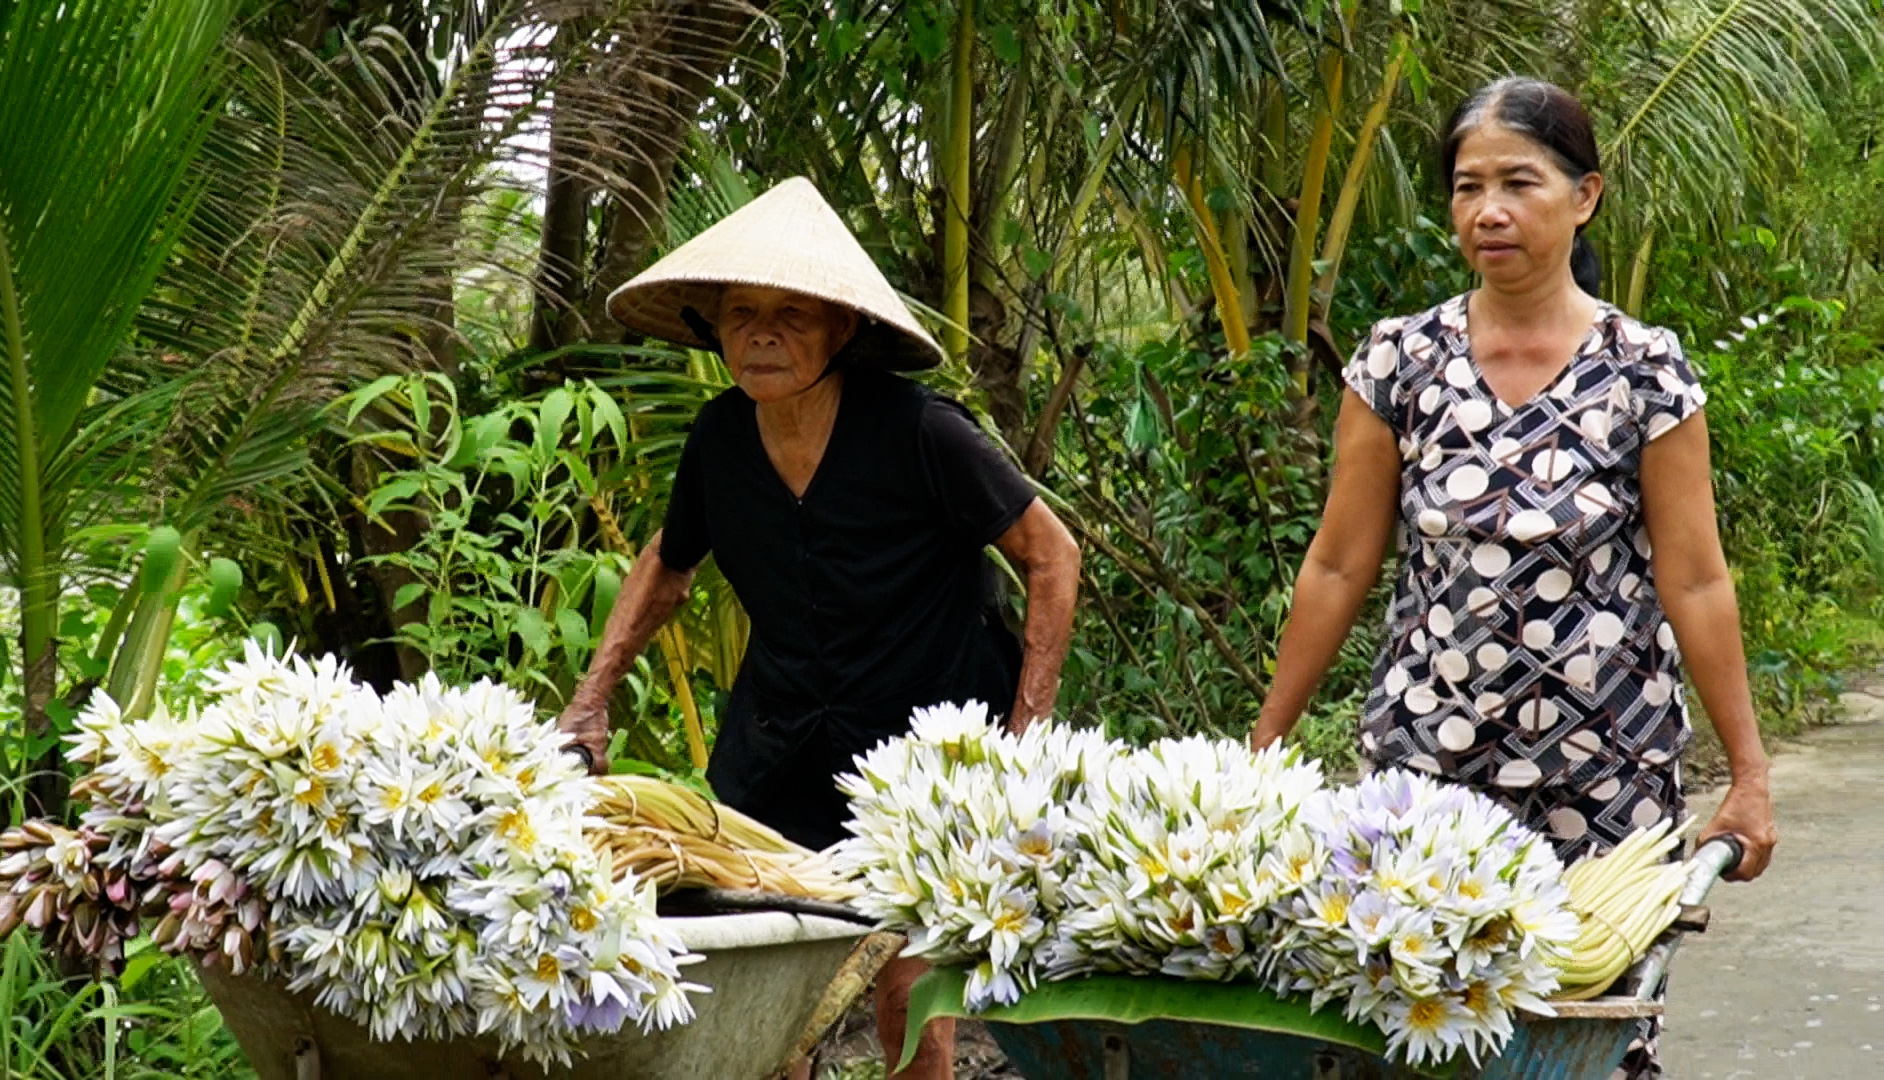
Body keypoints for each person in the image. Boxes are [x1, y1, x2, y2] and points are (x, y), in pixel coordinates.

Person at [1248, 78, 1778, 1079]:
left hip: (1606, 773)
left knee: (1592, 1032)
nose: (1487, 211)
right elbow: (1338, 563)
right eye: (1466, 187)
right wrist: (1262, 747)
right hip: (1426, 768)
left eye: (1518, 183)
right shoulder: (1400, 361)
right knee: (1418, 1027)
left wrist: (1749, 778)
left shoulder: (1645, 369)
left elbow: (1697, 580)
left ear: (1584, 198)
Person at [559, 176, 1081, 1080]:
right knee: (759, 964)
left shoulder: (921, 432)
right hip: (784, 733)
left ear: (842, 330)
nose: (762, 334)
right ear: (712, 328)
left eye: (791, 315)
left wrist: (1026, 733)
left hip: (928, 742)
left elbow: (1052, 554)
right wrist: (589, 699)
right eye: (741, 313)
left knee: (906, 974)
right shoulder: (720, 440)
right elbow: (667, 564)